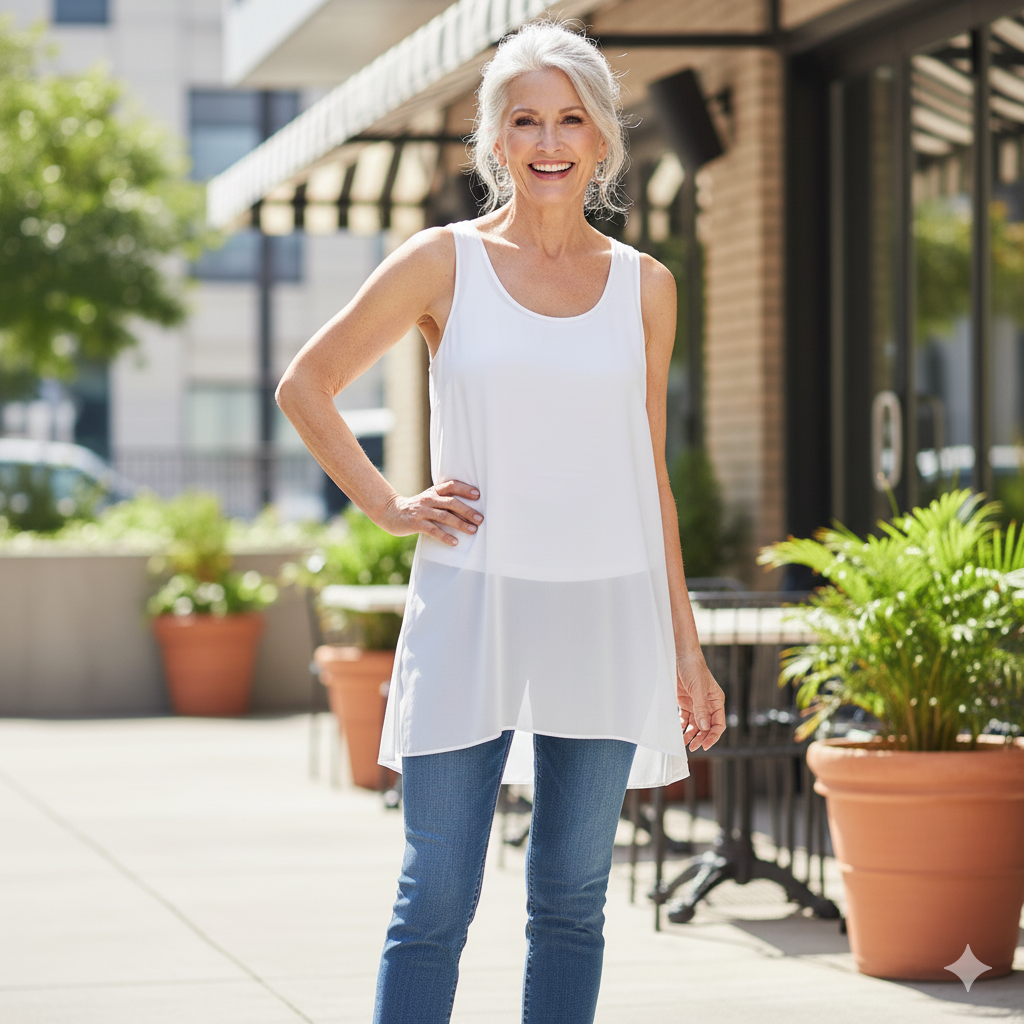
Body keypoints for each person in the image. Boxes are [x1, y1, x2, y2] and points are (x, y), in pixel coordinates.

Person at [277, 20, 727, 1024]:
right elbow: (306, 383)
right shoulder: (443, 263)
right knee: (434, 896)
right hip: (470, 602)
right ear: (494, 142)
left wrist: (684, 650)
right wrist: (389, 504)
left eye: (570, 118)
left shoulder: (646, 287)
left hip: (604, 610)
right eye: (524, 120)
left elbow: (646, 469)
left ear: (602, 139)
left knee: (570, 902)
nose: (548, 140)